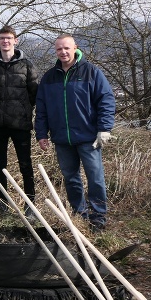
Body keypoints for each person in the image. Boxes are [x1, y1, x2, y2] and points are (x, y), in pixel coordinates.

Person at [36, 34, 115, 230]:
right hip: (62, 138)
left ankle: (98, 217)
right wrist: (41, 133)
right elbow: (42, 108)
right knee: (71, 178)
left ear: (75, 48)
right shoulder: (49, 77)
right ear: (55, 51)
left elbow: (106, 100)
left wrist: (104, 128)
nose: (63, 52)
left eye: (66, 48)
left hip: (88, 137)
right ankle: (78, 214)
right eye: (59, 49)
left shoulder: (91, 72)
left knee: (95, 178)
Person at [0, 26, 39, 212]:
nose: (5, 41)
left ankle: (30, 204)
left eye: (9, 38)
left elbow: (34, 94)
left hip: (20, 124)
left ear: (15, 40)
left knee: (25, 164)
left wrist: (24, 110)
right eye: (2, 38)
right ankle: (3, 204)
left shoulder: (26, 65)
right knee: (0, 166)